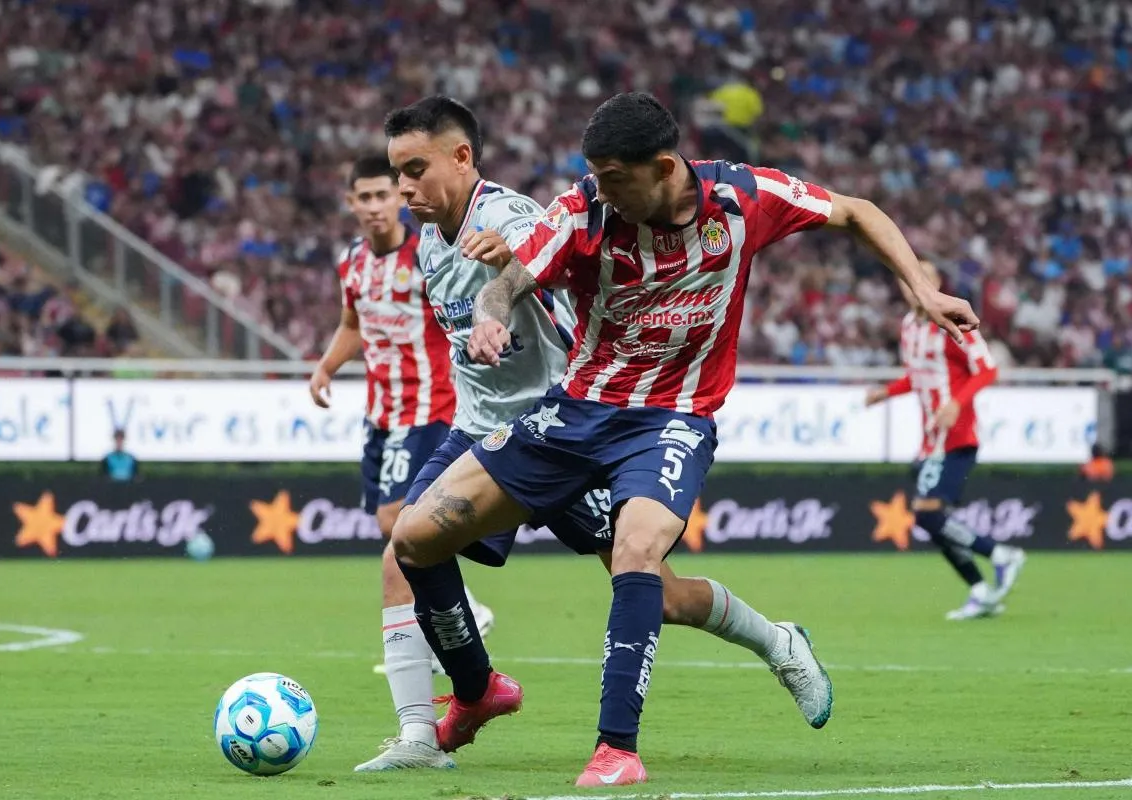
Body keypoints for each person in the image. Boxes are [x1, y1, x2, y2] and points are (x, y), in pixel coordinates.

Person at [389, 92, 980, 787]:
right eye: (595, 177)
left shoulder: (743, 198)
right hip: (575, 412)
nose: (600, 191)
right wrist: (492, 312)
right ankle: (478, 689)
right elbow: (515, 277)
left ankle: (617, 750)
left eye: (614, 178)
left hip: (672, 418)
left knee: (638, 555)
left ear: (665, 167)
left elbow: (856, 211)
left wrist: (922, 291)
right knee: (413, 539)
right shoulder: (583, 210)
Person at [307, 154, 493, 773]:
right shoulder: (352, 262)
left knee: (398, 523)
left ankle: (462, 615)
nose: (373, 206)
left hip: (434, 411)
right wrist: (327, 366)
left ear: (398, 198)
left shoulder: (427, 254)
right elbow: (351, 324)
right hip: (381, 417)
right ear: (351, 203)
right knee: (393, 530)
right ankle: (459, 614)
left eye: (382, 195)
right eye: (361, 197)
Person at [866, 259, 1026, 620]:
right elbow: (917, 377)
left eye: (924, 278)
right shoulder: (909, 326)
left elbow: (987, 370)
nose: (914, 286)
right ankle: (981, 589)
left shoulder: (953, 321)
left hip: (957, 437)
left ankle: (1000, 554)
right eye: (908, 279)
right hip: (930, 440)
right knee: (932, 520)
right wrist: (885, 393)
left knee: (927, 514)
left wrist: (956, 403)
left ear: (936, 284)